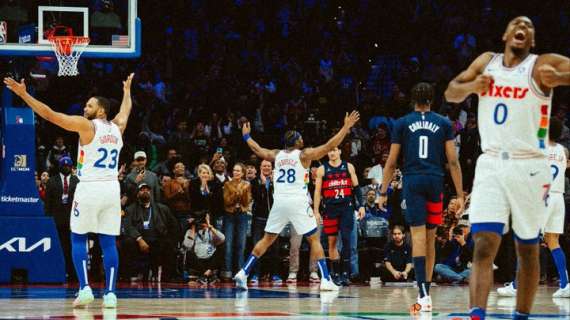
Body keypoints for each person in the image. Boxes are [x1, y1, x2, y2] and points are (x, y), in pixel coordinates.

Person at [444, 16, 570, 320]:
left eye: (529, 27)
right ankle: (476, 315)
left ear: (532, 41)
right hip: (490, 164)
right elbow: (450, 92)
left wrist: (560, 78)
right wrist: (473, 85)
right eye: (517, 24)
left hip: (530, 165)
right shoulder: (487, 62)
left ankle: (521, 316)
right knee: (483, 244)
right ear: (505, 34)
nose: (523, 28)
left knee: (527, 249)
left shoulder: (541, 65)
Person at [4, 73, 134, 308]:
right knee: (107, 241)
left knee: (78, 238)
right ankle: (111, 294)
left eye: (90, 105)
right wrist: (126, 93)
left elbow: (50, 115)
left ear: (101, 111)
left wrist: (24, 95)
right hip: (111, 189)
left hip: (89, 188)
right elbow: (126, 111)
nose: (85, 108)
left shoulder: (86, 126)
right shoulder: (117, 128)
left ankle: (85, 288)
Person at [234, 111, 360, 291]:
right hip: (297, 202)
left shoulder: (277, 155)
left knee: (267, 239)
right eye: (300, 138)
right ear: (296, 141)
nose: (303, 140)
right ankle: (325, 280)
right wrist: (346, 127)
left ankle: (243, 272)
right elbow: (328, 145)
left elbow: (257, 149)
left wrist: (246, 136)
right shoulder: (304, 155)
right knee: (314, 239)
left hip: (279, 203)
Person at [378, 82, 464, 313]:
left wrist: (383, 192)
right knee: (430, 237)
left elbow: (392, 161)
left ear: (412, 100)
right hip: (435, 180)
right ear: (432, 100)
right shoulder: (444, 123)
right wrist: (459, 193)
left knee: (416, 236)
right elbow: (453, 161)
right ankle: (427, 292)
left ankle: (422, 294)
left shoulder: (403, 123)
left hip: (413, 181)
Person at [498, 118, 570, 298]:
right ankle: (565, 284)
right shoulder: (563, 151)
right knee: (553, 241)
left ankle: (516, 285)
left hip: (542, 196)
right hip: (558, 196)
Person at [314, 147, 365, 285]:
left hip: (346, 209)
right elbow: (317, 192)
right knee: (332, 242)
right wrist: (316, 211)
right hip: (330, 209)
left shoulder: (348, 167)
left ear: (340, 151)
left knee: (347, 241)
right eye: (329, 150)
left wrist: (361, 205)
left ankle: (345, 273)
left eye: (335, 150)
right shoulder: (322, 169)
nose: (332, 152)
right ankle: (335, 273)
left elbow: (357, 188)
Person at [122, 183, 178, 282]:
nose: (145, 191)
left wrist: (169, 237)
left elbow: (173, 225)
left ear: (151, 193)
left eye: (147, 190)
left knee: (169, 244)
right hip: (138, 240)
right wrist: (139, 239)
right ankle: (129, 275)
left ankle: (167, 278)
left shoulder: (162, 208)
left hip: (156, 239)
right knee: (127, 242)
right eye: (142, 190)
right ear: (137, 194)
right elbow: (128, 226)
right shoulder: (130, 209)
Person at [44, 156, 80, 280]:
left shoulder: (77, 181)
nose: (66, 167)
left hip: (73, 220)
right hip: (56, 219)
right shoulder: (52, 181)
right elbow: (48, 203)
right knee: (58, 246)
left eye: (68, 165)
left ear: (71, 167)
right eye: (63, 165)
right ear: (60, 166)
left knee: (72, 246)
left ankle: (73, 273)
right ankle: (58, 272)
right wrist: (48, 220)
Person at [221, 163, 252, 280]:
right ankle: (227, 273)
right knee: (228, 244)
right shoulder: (227, 184)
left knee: (241, 245)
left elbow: (247, 201)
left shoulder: (247, 185)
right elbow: (226, 201)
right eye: (234, 170)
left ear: (243, 173)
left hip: (242, 215)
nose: (236, 172)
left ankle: (240, 273)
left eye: (238, 171)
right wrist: (236, 193)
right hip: (229, 214)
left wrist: (242, 193)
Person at [183, 211, 225, 285]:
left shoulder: (211, 231)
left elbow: (222, 239)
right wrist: (193, 228)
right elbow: (187, 246)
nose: (203, 223)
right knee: (189, 253)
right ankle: (208, 275)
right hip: (198, 262)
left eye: (205, 220)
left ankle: (205, 275)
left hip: (210, 262)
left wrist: (209, 226)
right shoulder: (190, 231)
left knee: (222, 248)